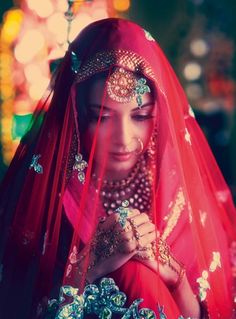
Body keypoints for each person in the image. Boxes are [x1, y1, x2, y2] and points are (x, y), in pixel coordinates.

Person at [0, 18, 235, 319]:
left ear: (159, 114)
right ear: (76, 114)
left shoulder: (183, 195)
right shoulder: (42, 199)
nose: (123, 139)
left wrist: (176, 281)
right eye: (102, 117)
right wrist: (88, 268)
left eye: (140, 116)